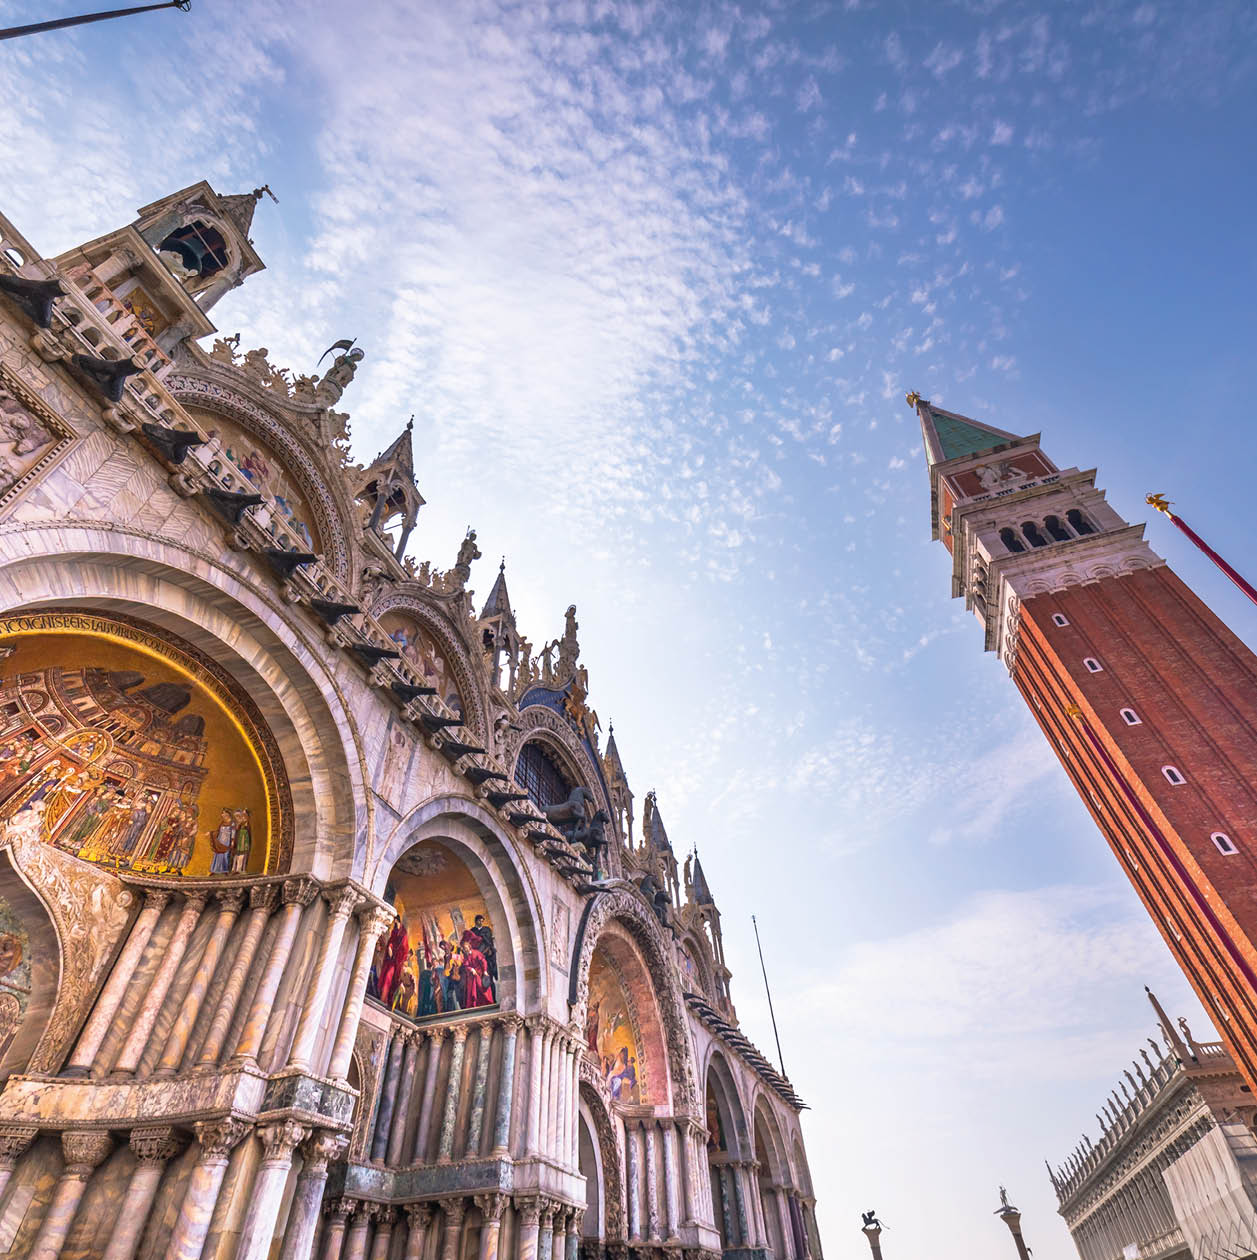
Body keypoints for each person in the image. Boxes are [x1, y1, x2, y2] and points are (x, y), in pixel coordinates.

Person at [209, 807, 235, 874]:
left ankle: (225, 870)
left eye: (223, 813)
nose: (222, 815)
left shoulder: (232, 823)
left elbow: (233, 833)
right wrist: (211, 833)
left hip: (227, 842)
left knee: (225, 856)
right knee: (218, 855)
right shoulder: (222, 823)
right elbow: (218, 832)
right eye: (222, 813)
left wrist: (232, 841)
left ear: (227, 814)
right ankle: (215, 870)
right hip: (220, 841)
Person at [230, 808, 252, 873]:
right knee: (236, 855)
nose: (243, 816)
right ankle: (234, 869)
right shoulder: (239, 823)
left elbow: (247, 832)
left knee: (242, 855)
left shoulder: (246, 823)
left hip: (244, 841)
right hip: (239, 841)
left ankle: (240, 869)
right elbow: (236, 830)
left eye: (244, 814)